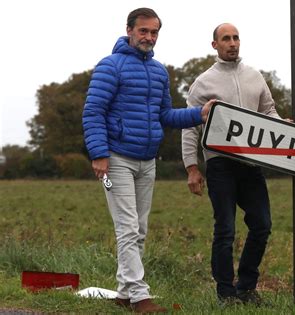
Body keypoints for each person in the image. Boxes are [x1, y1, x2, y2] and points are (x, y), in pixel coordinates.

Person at [82, 8, 215, 314]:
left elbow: (165, 116)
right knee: (127, 227)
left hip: (147, 161)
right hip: (116, 159)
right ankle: (140, 296)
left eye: (154, 32)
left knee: (138, 229)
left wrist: (199, 113)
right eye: (143, 31)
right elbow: (93, 112)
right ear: (129, 30)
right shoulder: (109, 66)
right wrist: (99, 154)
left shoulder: (158, 72)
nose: (149, 37)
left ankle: (125, 293)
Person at [181, 23, 282, 306]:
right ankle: (226, 292)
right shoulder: (203, 82)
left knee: (262, 224)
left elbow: (268, 111)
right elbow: (190, 128)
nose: (233, 43)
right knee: (225, 229)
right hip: (220, 165)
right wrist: (192, 167)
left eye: (236, 38)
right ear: (215, 45)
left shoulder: (254, 76)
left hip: (251, 164)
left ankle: (247, 288)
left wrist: (280, 128)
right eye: (226, 38)